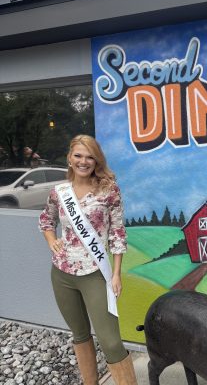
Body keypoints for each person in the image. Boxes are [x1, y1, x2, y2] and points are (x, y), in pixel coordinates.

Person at [39, 134, 137, 385]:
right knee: (80, 334)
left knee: (111, 342)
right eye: (78, 155)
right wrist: (52, 241)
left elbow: (117, 233)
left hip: (95, 273)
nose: (83, 161)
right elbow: (46, 220)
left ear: (97, 160)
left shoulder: (109, 191)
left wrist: (116, 274)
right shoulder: (59, 192)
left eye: (89, 157)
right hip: (62, 274)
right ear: (69, 158)